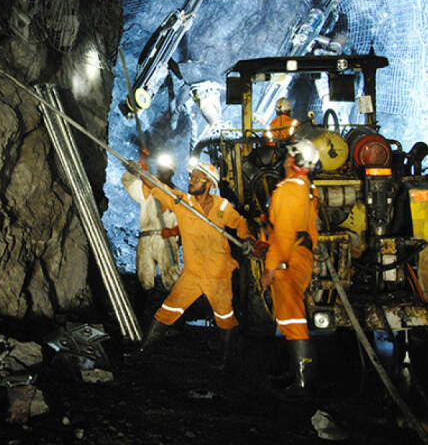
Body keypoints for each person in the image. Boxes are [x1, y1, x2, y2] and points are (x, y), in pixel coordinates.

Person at [130, 159, 252, 369]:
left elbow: (239, 222)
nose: (191, 181)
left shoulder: (223, 207)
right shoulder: (182, 202)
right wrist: (140, 172)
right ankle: (142, 352)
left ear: (209, 184)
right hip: (193, 274)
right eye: (191, 177)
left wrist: (246, 237)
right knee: (167, 311)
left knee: (225, 317)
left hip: (218, 274)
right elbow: (159, 188)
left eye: (197, 178)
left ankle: (225, 362)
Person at [259, 138, 320, 396]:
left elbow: (283, 235)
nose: (284, 160)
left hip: (287, 259)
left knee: (293, 317)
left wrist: (271, 267)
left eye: (288, 157)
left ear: (295, 162)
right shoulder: (307, 189)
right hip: (301, 255)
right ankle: (294, 372)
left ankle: (303, 383)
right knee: (290, 315)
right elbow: (311, 230)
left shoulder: (285, 191)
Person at [121, 153, 181, 294]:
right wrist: (131, 172)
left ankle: (173, 312)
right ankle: (138, 314)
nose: (161, 171)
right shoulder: (148, 187)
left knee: (172, 280)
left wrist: (179, 239)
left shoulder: (178, 196)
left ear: (171, 172)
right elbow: (129, 184)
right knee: (144, 279)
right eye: (160, 168)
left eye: (165, 169)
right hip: (147, 237)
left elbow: (184, 222)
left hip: (168, 239)